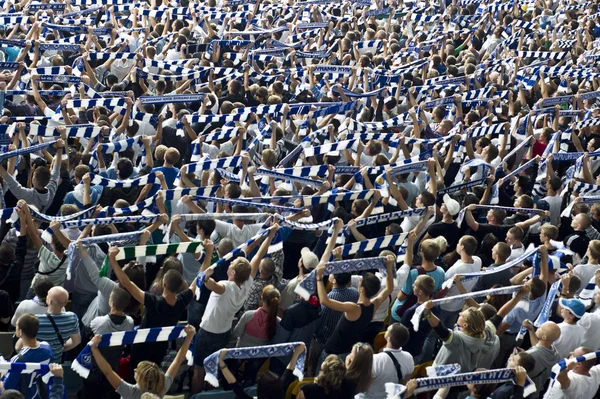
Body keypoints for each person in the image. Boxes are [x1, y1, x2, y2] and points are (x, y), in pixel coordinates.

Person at [192, 224, 278, 393]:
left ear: (232, 272)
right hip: (223, 333)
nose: (230, 263)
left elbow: (209, 284)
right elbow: (258, 256)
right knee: (213, 369)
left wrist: (206, 273)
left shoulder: (225, 285)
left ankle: (195, 396)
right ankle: (209, 396)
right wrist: (269, 235)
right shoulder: (247, 284)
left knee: (198, 370)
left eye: (232, 264)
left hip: (207, 332)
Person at [107, 241, 196, 369]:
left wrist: (112, 260)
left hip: (142, 346)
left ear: (164, 283)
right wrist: (209, 254)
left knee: (136, 377)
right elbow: (196, 282)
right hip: (160, 348)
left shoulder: (154, 301)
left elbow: (127, 283)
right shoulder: (182, 300)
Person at [90, 325, 196, 399]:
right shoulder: (162, 385)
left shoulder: (130, 391)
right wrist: (189, 337)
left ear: (142, 379)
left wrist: (94, 348)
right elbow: (177, 361)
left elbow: (108, 372)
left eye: (137, 371)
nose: (134, 370)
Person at [82, 287, 134, 399]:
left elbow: (86, 335)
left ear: (112, 303)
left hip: (95, 368)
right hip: (114, 368)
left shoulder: (98, 322)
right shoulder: (130, 322)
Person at [217, 343, 305, 399]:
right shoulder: (282, 388)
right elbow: (289, 370)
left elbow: (233, 383)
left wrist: (221, 361)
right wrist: (296, 353)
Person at [2, 314, 53, 399]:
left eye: (17, 326)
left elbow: (6, 386)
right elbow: (19, 348)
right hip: (35, 394)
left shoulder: (18, 359)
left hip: (19, 396)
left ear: (20, 332)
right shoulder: (47, 348)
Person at [358, 323, 414, 399]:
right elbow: (405, 384)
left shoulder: (375, 359)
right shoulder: (409, 357)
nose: (386, 330)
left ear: (389, 339)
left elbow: (363, 386)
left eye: (387, 330)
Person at [30, 286, 80, 362]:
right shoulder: (72, 318)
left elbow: (20, 346)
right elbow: (76, 341)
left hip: (36, 363)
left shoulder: (36, 320)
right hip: (56, 363)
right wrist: (60, 348)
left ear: (50, 301)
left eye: (48, 295)